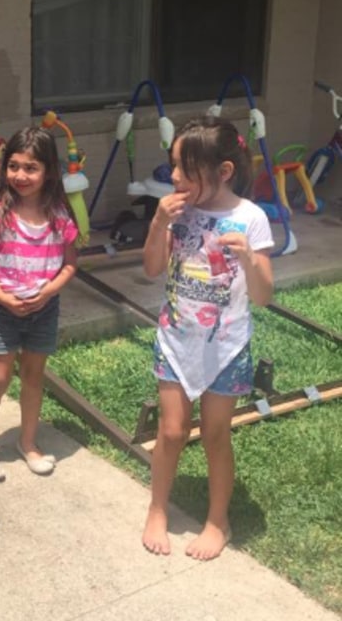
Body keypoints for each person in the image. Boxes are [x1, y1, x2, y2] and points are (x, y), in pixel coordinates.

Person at [141, 115, 274, 561]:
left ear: (224, 171)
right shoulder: (176, 210)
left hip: (227, 345)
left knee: (217, 435)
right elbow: (152, 269)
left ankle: (219, 520)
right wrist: (158, 223)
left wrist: (251, 259)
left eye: (185, 167)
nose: (174, 177)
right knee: (172, 430)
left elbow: (263, 296)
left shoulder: (251, 218)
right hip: (177, 338)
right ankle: (157, 508)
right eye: (173, 165)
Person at [0, 127, 79, 481]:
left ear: (49, 171)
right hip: (3, 310)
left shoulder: (60, 215)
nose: (20, 175)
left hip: (44, 309)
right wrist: (0, 296)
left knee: (33, 377)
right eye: (13, 166)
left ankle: (27, 442)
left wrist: (48, 293)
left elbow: (71, 263)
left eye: (31, 168)